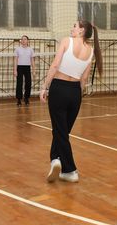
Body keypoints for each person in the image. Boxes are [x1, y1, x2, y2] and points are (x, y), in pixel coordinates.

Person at [40, 21, 103, 183]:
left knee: (60, 131)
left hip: (59, 89)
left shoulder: (66, 41)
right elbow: (84, 78)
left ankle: (70, 170)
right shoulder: (91, 51)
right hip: (75, 93)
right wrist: (77, 96)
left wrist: (44, 87)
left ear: (81, 30)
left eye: (74, 26)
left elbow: (55, 65)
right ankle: (56, 159)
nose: (71, 28)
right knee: (62, 131)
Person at [14, 35, 35, 106]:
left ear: (27, 41)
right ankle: (19, 99)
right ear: (21, 41)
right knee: (19, 83)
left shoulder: (30, 49)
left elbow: (32, 60)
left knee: (28, 83)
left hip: (27, 67)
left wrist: (34, 70)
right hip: (19, 67)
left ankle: (26, 98)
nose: (23, 40)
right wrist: (15, 70)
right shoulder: (17, 49)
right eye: (22, 39)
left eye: (25, 39)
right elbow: (15, 60)